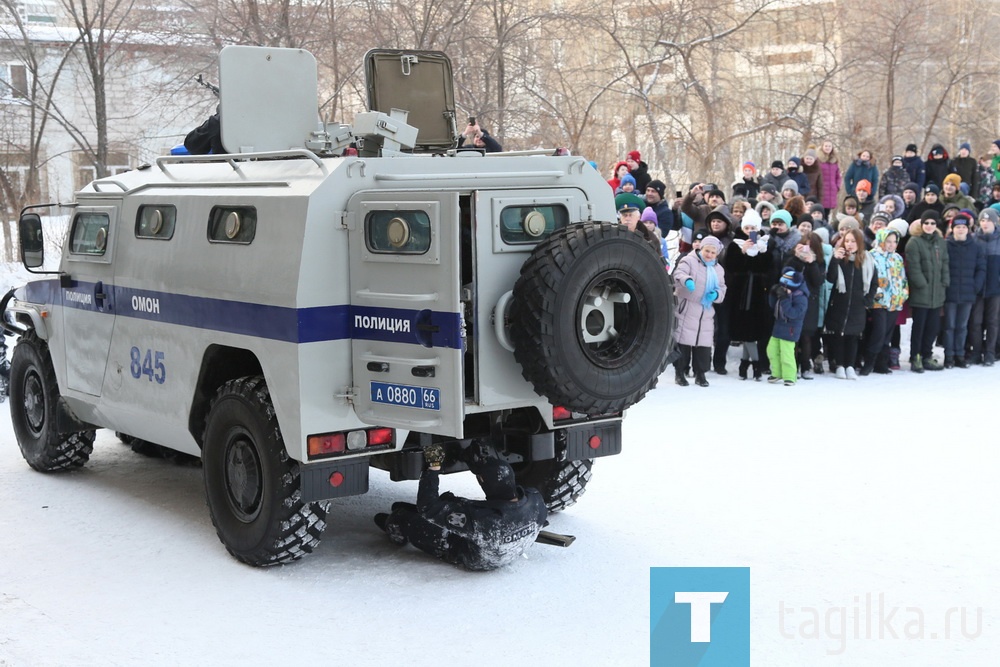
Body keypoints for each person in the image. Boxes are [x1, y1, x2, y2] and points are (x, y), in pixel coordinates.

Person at [375, 443, 548, 571]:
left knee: (406, 518)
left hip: (476, 557)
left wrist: (433, 468)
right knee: (451, 502)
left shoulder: (484, 520)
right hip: (500, 544)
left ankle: (396, 526)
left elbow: (428, 508)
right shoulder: (535, 501)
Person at [672, 236, 727, 387]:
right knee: (683, 341)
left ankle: (700, 373)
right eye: (706, 250)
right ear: (701, 249)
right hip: (687, 307)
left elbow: (722, 288)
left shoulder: (718, 269)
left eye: (713, 252)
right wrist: (686, 280)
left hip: (706, 310)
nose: (709, 254)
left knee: (703, 343)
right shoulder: (689, 260)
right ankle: (680, 372)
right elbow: (679, 273)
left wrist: (716, 295)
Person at [725, 208, 772, 380]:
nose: (750, 232)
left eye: (753, 229)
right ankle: (756, 365)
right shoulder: (735, 244)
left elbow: (766, 268)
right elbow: (731, 267)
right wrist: (743, 252)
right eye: (747, 228)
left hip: (758, 294)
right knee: (746, 333)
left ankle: (745, 365)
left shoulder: (764, 244)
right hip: (740, 293)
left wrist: (762, 253)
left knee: (752, 333)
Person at [824, 228, 877, 379]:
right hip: (839, 303)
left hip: (857, 305)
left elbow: (874, 283)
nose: (849, 244)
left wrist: (867, 301)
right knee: (839, 335)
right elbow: (830, 278)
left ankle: (850, 366)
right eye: (847, 241)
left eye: (853, 241)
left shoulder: (867, 260)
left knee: (853, 336)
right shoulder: (839, 259)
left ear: (859, 243)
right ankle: (840, 365)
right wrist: (835, 260)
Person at [906, 211, 950, 372]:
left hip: (937, 292)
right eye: (926, 223)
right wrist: (922, 284)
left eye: (932, 223)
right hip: (922, 293)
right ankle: (915, 356)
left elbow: (945, 262)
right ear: (921, 224)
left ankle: (927, 355)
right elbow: (914, 267)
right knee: (920, 326)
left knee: (932, 326)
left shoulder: (940, 241)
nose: (929, 226)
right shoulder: (914, 242)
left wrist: (945, 281)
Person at [943, 213, 985, 368]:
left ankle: (959, 354)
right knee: (949, 326)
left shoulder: (975, 246)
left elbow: (981, 268)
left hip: (968, 293)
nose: (960, 230)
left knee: (962, 326)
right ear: (952, 229)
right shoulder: (946, 245)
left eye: (963, 227)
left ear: (968, 229)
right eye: (957, 227)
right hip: (950, 293)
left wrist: (976, 286)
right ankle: (949, 356)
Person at [864, 228, 908, 375]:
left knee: (888, 333)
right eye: (888, 241)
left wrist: (903, 293)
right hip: (879, 300)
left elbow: (902, 277)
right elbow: (868, 277)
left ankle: (881, 363)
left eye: (894, 242)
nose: (891, 245)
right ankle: (869, 362)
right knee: (879, 331)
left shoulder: (897, 258)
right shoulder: (871, 256)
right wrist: (873, 294)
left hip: (895, 300)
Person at [784, 232, 826, 379]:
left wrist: (811, 262)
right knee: (794, 335)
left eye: (811, 246)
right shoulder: (793, 259)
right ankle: (793, 365)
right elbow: (786, 275)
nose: (807, 248)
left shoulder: (819, 262)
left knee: (807, 336)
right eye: (804, 245)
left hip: (810, 302)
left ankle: (806, 366)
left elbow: (818, 281)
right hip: (794, 300)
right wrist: (796, 257)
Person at [767, 268, 809, 386]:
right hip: (778, 326)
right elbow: (773, 306)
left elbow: (793, 313)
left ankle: (790, 376)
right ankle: (777, 372)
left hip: (791, 328)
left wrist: (785, 298)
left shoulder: (801, 298)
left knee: (787, 353)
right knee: (771, 350)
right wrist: (772, 293)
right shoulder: (785, 293)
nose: (783, 289)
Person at [969, 207, 1000, 365]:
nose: (985, 223)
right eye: (982, 220)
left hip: (996, 289)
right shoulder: (974, 239)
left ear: (995, 222)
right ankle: (976, 351)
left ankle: (990, 352)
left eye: (988, 220)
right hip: (978, 289)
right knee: (976, 321)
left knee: (993, 321)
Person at [818, 140, 842, 218]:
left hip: (831, 190)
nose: (827, 148)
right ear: (822, 147)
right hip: (821, 190)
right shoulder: (818, 160)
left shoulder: (835, 161)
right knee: (819, 211)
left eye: (829, 146)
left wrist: (837, 186)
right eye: (826, 146)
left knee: (827, 213)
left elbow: (838, 176)